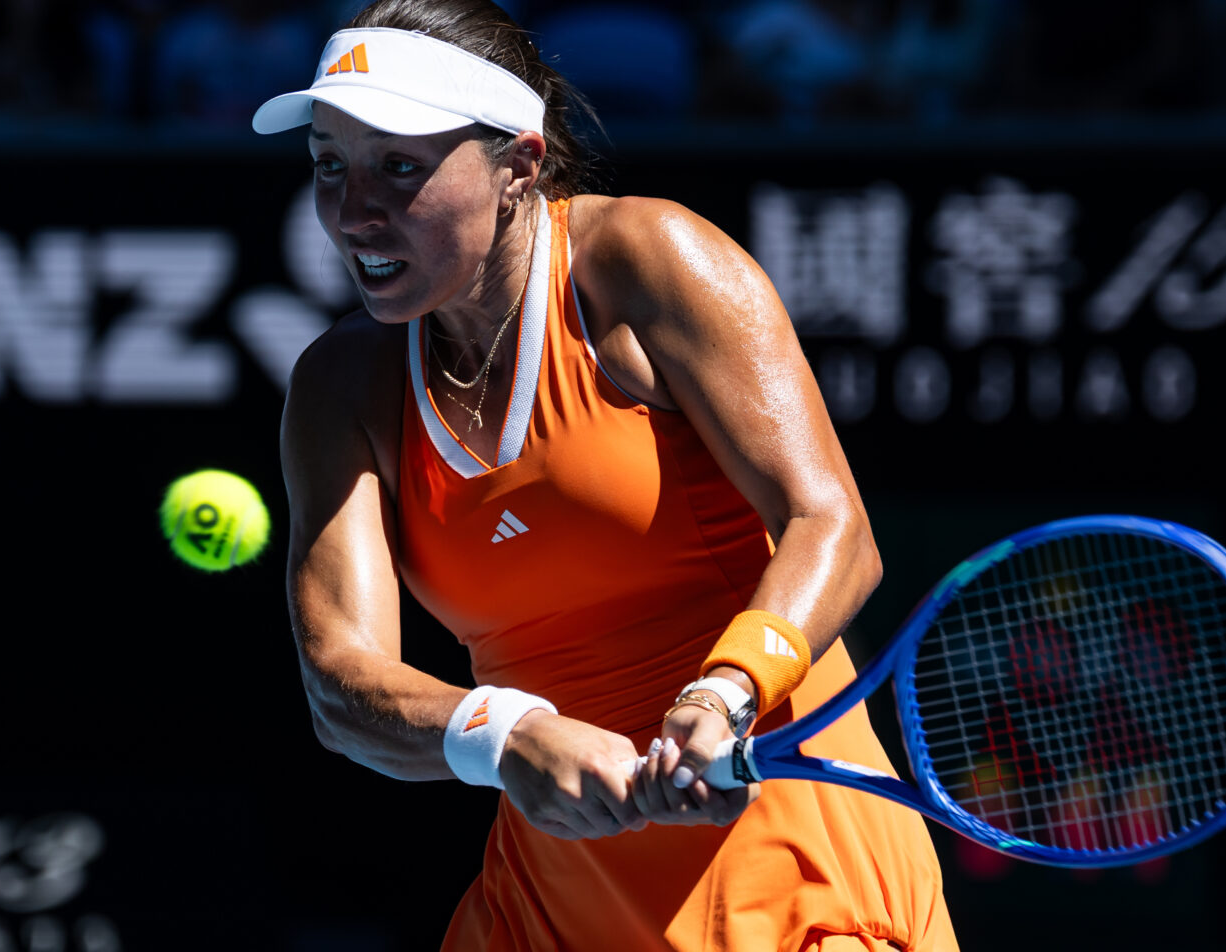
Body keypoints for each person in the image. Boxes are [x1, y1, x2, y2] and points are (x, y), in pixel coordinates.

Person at [255, 1, 958, 949]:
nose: (353, 210)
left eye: (401, 167)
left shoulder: (644, 260)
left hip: (792, 883)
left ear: (520, 166)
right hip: (548, 907)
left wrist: (725, 695)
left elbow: (831, 526)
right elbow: (342, 686)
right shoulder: (340, 387)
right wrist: (502, 734)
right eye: (329, 164)